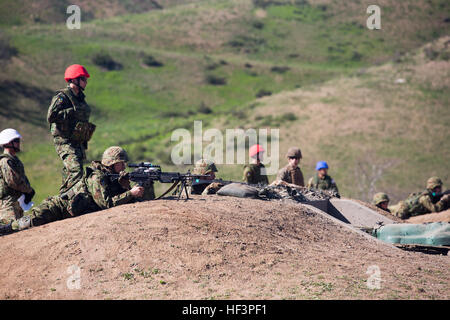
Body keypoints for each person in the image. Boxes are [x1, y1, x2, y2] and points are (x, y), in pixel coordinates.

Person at [0, 146, 144, 236]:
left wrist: (125, 187)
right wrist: (130, 193)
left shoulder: (112, 178)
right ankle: (5, 228)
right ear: (112, 163)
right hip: (58, 207)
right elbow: (106, 204)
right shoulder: (97, 177)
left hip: (70, 212)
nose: (123, 167)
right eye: (121, 164)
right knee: (32, 221)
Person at [47, 64, 96, 196]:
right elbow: (51, 116)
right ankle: (70, 199)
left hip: (77, 142)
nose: (86, 82)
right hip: (64, 142)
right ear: (74, 80)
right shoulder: (63, 97)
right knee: (76, 170)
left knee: (70, 174)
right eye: (83, 79)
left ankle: (64, 201)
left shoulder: (80, 98)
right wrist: (71, 112)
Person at [0, 129, 35, 225]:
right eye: (16, 141)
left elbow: (22, 178)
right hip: (8, 206)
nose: (18, 143)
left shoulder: (14, 160)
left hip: (17, 203)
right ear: (8, 143)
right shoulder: (5, 161)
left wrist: (28, 191)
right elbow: (13, 181)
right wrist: (28, 190)